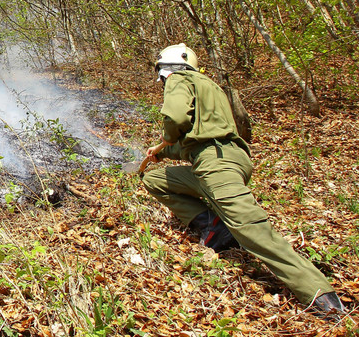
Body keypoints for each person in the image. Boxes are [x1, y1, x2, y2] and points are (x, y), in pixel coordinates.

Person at [141, 43, 345, 314]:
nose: (164, 83)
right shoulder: (210, 86)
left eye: (162, 77)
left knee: (254, 233)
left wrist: (166, 138)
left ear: (167, 69)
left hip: (217, 167)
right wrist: (163, 153)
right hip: (224, 161)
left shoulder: (179, 78)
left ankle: (324, 300)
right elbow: (202, 137)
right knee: (155, 181)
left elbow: (176, 118)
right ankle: (215, 227)